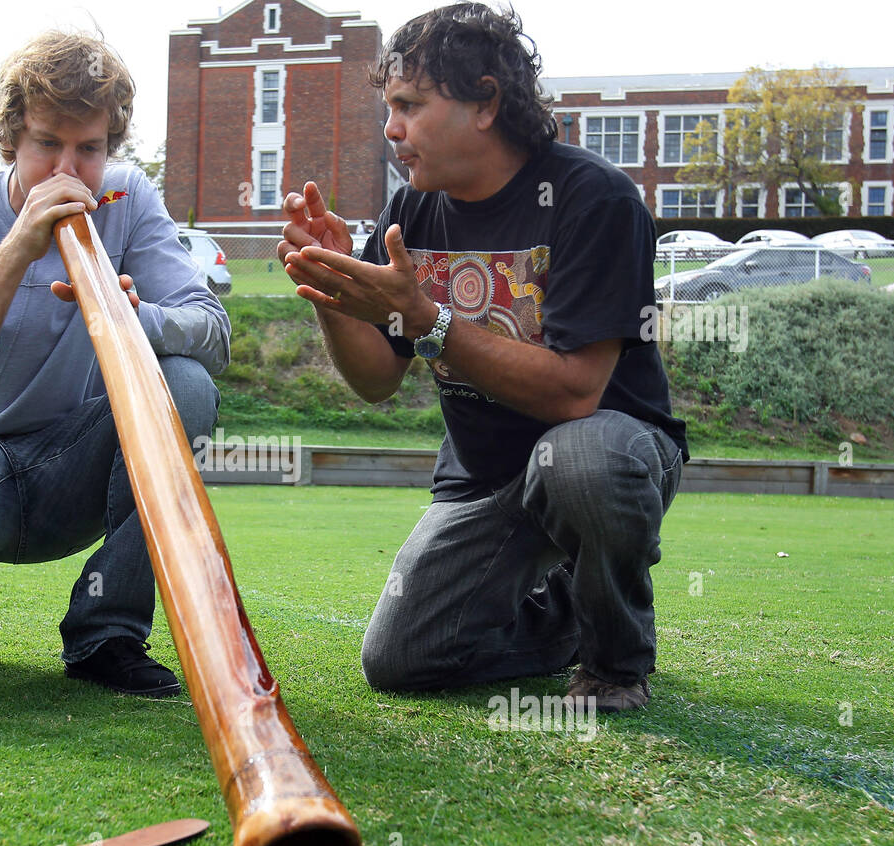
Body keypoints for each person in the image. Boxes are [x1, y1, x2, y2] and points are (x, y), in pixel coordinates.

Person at [277, 3, 687, 712]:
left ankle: (615, 665)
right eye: (388, 107)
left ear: (487, 103)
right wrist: (330, 288)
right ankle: (563, 615)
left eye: (410, 104)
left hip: (605, 451)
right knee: (400, 659)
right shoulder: (413, 211)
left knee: (581, 457)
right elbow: (378, 379)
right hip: (485, 480)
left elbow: (573, 394)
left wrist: (426, 318)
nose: (392, 128)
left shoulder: (594, 199)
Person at [0, 30, 228, 696]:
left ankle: (107, 633)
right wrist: (16, 252)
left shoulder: (126, 199)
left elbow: (213, 335)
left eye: (88, 149)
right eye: (46, 145)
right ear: (10, 140)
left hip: (72, 465)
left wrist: (126, 318)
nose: (68, 171)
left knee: (187, 383)